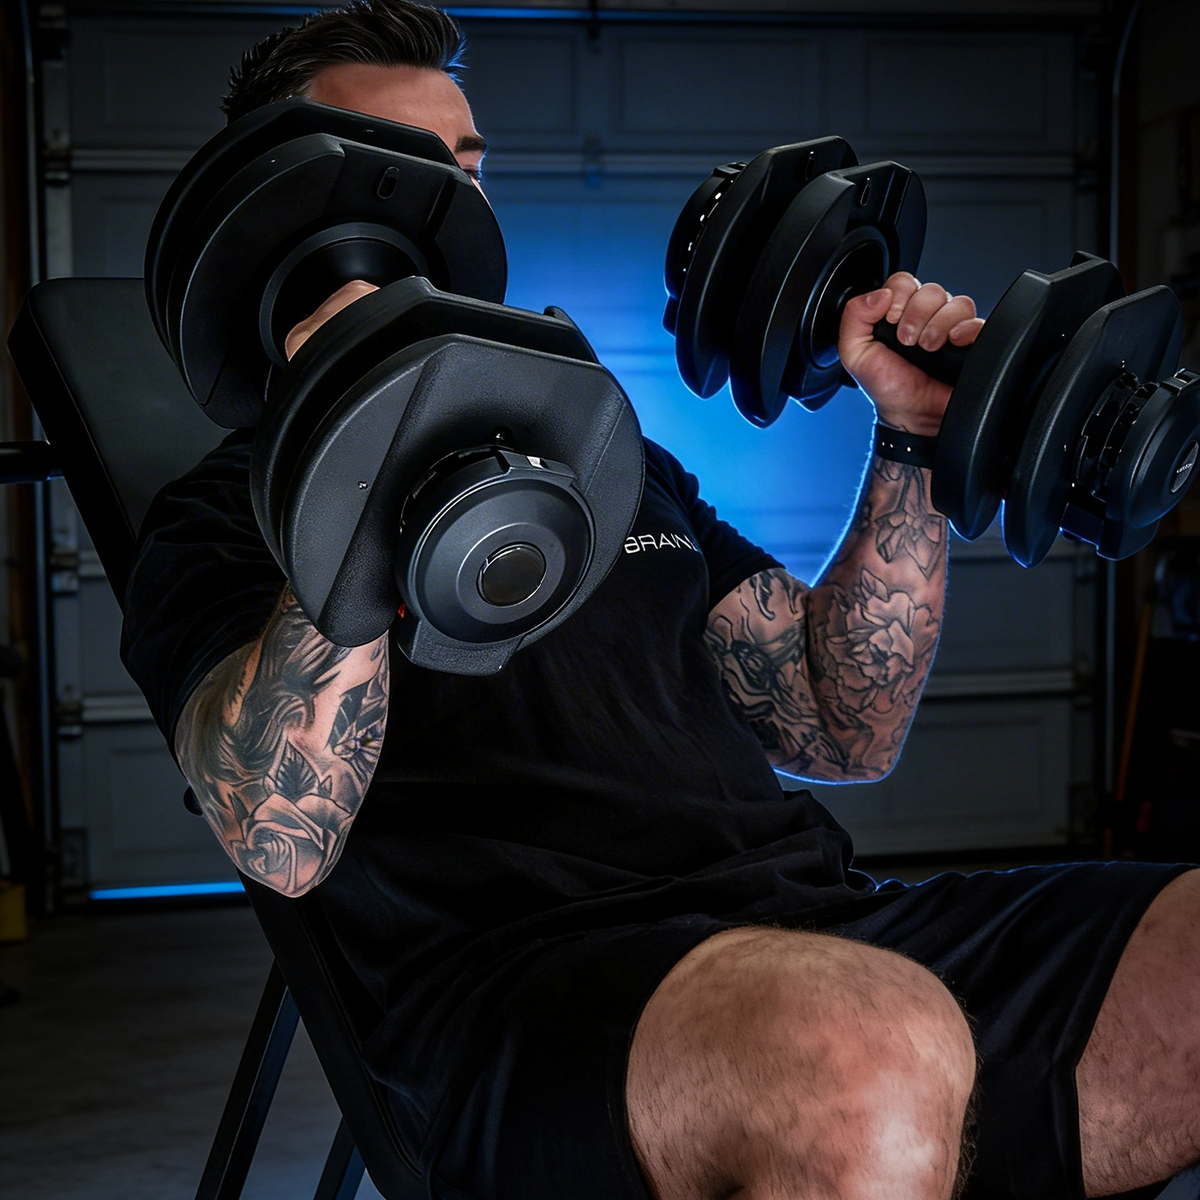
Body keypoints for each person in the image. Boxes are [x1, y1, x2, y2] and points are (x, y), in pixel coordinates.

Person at [120, 3, 1200, 1198]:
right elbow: (280, 840)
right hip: (531, 997)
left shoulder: (597, 447)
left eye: (466, 168)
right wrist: (359, 457)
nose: (449, 202)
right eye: (400, 167)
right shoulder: (217, 521)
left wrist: (913, 440)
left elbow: (840, 724)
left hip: (817, 930)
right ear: (279, 205)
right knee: (860, 1048)